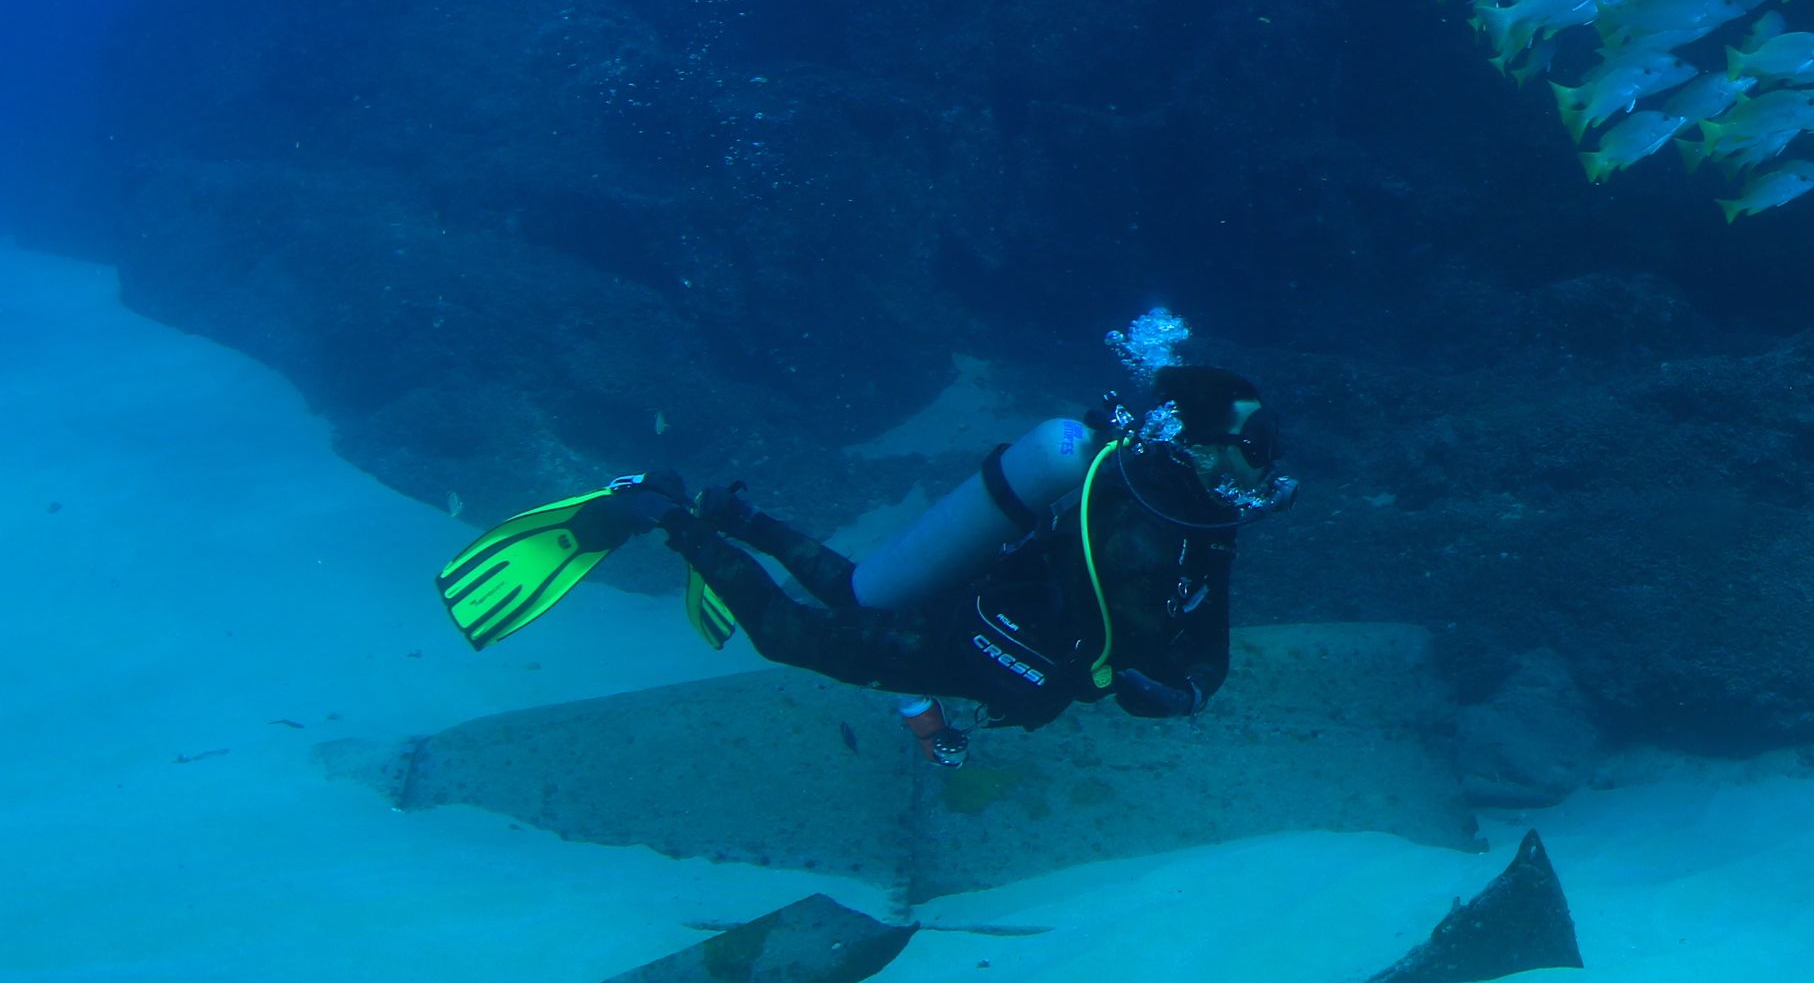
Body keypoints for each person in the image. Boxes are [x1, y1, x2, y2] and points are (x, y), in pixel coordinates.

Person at [435, 324, 1288, 764]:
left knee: (856, 592)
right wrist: (1164, 689)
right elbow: (1133, 626)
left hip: (987, 618)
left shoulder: (1199, 517)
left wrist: (1189, 693)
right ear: (1209, 444)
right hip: (985, 648)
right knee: (788, 633)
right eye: (1256, 446)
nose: (1267, 467)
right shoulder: (1146, 512)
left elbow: (1203, 635)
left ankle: (732, 515)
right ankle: (658, 515)